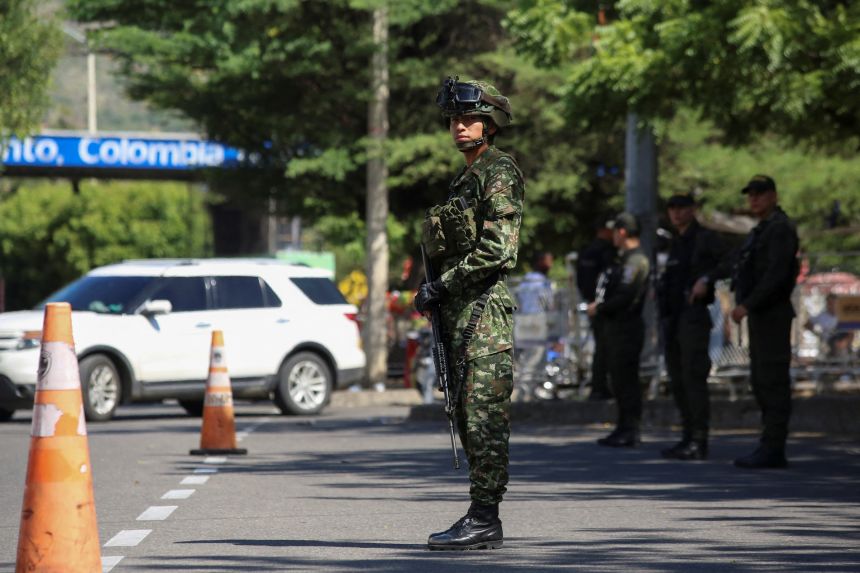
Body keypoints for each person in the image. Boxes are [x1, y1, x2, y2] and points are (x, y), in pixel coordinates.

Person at [414, 77, 523, 550]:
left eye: (468, 118)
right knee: (464, 412)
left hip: (483, 314)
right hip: (460, 312)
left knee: (483, 419)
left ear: (490, 123)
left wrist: (443, 285)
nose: (458, 127)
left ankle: (485, 517)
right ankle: (481, 515)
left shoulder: (499, 171)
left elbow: (498, 249)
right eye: (454, 120)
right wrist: (436, 289)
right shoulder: (467, 177)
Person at [717, 175, 799, 469]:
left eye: (760, 194)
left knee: (772, 381)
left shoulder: (780, 229)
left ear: (774, 196)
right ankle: (768, 444)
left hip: (772, 313)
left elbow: (776, 275)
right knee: (761, 381)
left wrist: (747, 305)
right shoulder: (762, 230)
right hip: (762, 316)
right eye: (751, 194)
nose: (754, 199)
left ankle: (774, 448)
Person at [657, 193, 727, 461]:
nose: (676, 213)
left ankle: (699, 439)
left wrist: (706, 279)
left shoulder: (705, 237)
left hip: (693, 317)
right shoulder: (674, 241)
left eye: (682, 208)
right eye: (672, 208)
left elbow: (729, 261)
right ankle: (687, 436)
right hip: (673, 318)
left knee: (693, 378)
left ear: (693, 210)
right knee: (677, 380)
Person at [587, 212, 650, 447]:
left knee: (626, 380)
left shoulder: (635, 261)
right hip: (616, 328)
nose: (612, 236)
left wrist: (600, 308)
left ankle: (630, 429)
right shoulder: (623, 259)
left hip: (627, 328)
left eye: (614, 231)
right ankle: (623, 426)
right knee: (619, 380)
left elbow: (625, 295)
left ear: (622, 232)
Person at [577, 224, 616, 401]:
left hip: (592, 304)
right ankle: (600, 387)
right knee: (605, 347)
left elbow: (581, 280)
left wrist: (588, 299)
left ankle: (599, 386)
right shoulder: (607, 251)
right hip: (604, 306)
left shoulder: (586, 250)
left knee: (601, 346)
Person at [805, 293, 854, 359]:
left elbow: (851, 331)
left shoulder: (844, 315)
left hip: (843, 346)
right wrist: (818, 334)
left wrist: (846, 342)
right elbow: (807, 324)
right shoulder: (822, 316)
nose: (832, 305)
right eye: (830, 303)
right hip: (828, 344)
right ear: (827, 304)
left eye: (834, 303)